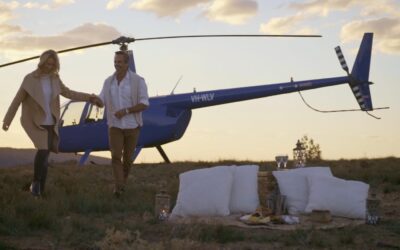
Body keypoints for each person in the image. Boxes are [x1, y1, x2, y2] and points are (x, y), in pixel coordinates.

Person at [2, 49, 103, 197]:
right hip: (35, 122)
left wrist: (90, 97)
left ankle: (40, 191)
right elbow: (17, 100)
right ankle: (35, 185)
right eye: (47, 63)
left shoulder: (55, 79)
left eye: (52, 64)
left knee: (45, 155)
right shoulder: (29, 79)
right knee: (43, 150)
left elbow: (69, 93)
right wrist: (7, 120)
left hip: (51, 122)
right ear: (42, 63)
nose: (49, 66)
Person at [99, 51, 149, 197]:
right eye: (115, 61)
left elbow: (144, 103)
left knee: (127, 160)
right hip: (114, 125)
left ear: (127, 64)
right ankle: (119, 188)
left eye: (120, 62)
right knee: (115, 156)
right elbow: (102, 99)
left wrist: (126, 111)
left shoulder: (138, 81)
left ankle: (122, 185)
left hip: (132, 125)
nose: (117, 64)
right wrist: (95, 99)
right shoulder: (108, 81)